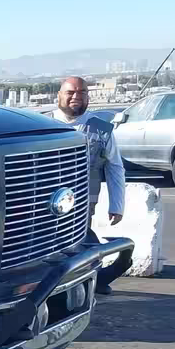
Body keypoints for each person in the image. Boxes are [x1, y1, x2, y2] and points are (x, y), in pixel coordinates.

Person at [53, 76, 132, 295]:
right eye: (70, 92)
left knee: (78, 242)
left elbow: (115, 166)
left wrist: (117, 205)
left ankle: (91, 280)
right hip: (44, 201)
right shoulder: (40, 124)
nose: (76, 97)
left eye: (82, 93)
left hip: (83, 201)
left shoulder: (102, 130)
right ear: (59, 95)